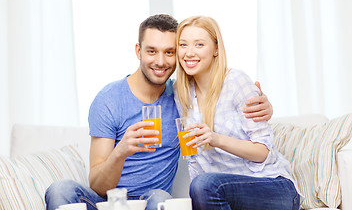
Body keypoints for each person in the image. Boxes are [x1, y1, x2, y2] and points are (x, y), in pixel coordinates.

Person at [45, 14, 273, 210]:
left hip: (152, 201)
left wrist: (263, 103)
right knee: (60, 189)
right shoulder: (108, 100)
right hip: (110, 203)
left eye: (169, 52)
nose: (161, 61)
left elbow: (220, 94)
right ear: (138, 51)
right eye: (152, 51)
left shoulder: (182, 97)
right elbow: (97, 185)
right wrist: (121, 151)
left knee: (163, 199)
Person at [174, 16, 301, 210]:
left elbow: (262, 152)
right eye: (183, 45)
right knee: (200, 187)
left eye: (199, 44)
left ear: (216, 49)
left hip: (272, 186)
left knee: (203, 185)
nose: (189, 53)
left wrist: (215, 139)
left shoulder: (236, 82)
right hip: (219, 192)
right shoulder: (180, 92)